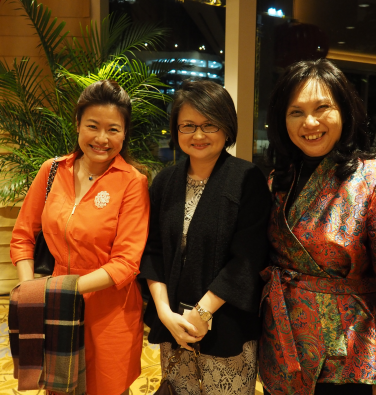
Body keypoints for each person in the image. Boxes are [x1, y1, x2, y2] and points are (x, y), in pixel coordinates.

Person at [259, 59, 376, 395]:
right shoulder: (278, 180)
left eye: (323, 108)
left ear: (345, 112)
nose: (310, 122)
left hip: (347, 357)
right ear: (281, 120)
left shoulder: (375, 182)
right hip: (282, 342)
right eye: (296, 112)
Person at [10, 80, 150, 395]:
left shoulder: (132, 183)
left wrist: (57, 291)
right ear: (77, 125)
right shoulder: (51, 172)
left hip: (110, 311)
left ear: (125, 133)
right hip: (55, 305)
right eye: (93, 126)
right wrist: (32, 289)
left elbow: (126, 264)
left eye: (113, 129)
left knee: (106, 389)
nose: (102, 138)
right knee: (59, 388)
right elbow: (22, 236)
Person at [139, 80, 271, 395]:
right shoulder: (165, 180)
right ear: (176, 129)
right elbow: (153, 250)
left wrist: (202, 312)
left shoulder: (246, 178)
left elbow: (247, 258)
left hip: (227, 324)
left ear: (227, 128)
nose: (198, 135)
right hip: (174, 323)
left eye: (209, 125)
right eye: (188, 125)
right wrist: (164, 313)